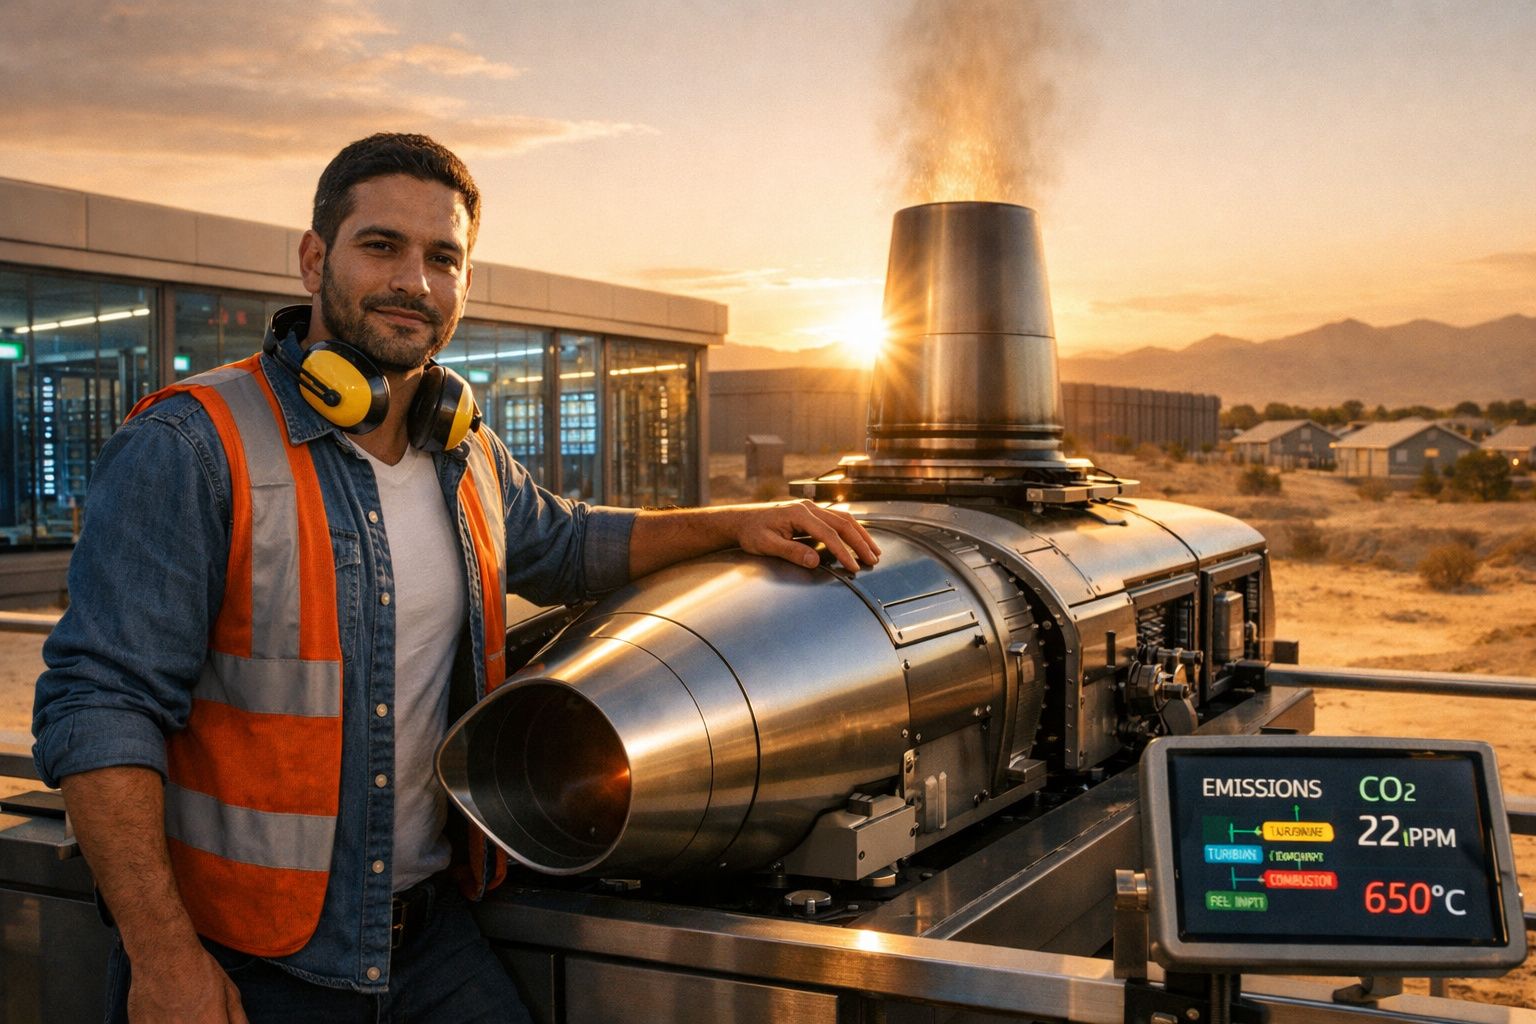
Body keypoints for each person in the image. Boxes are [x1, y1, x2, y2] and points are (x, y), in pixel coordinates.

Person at [32, 132, 880, 1023]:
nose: (416, 282)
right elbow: (98, 706)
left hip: (429, 939)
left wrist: (736, 522)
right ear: (314, 258)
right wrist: (163, 960)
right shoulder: (194, 447)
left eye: (444, 258)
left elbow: (568, 544)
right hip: (249, 965)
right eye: (381, 246)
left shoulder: (462, 451)